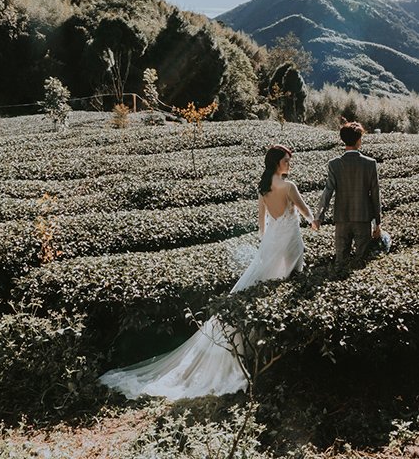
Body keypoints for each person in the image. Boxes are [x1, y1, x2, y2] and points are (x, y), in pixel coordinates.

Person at [98, 144, 313, 400]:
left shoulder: (264, 188)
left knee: (259, 286)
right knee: (288, 282)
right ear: (278, 162)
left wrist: (267, 249)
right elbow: (305, 211)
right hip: (289, 243)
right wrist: (314, 220)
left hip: (272, 244)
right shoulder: (289, 187)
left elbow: (261, 228)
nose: (290, 163)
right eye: (287, 160)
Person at [311, 121, 382, 267]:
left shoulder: (334, 164)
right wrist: (377, 223)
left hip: (342, 219)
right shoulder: (370, 163)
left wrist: (318, 217)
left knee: (340, 260)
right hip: (363, 219)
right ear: (358, 140)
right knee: (361, 261)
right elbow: (375, 194)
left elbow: (328, 192)